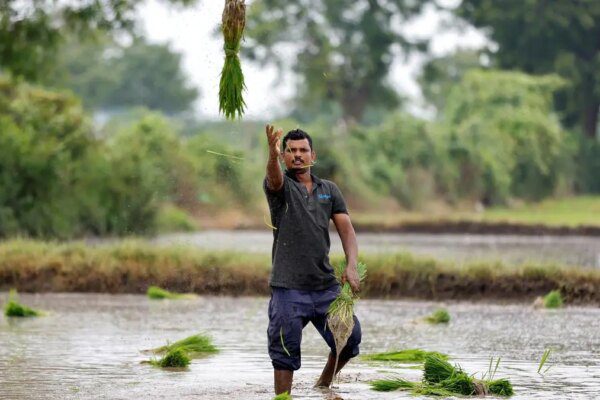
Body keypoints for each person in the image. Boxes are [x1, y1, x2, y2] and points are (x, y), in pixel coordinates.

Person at [263, 124, 362, 395]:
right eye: (291, 151)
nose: (297, 155)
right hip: (288, 287)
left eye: (303, 150)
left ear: (312, 155)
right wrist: (271, 154)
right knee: (284, 350)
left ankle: (323, 385)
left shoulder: (329, 190)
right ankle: (282, 398)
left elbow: (347, 230)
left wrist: (352, 265)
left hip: (324, 286)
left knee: (350, 338)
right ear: (284, 157)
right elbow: (274, 178)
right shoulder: (281, 187)